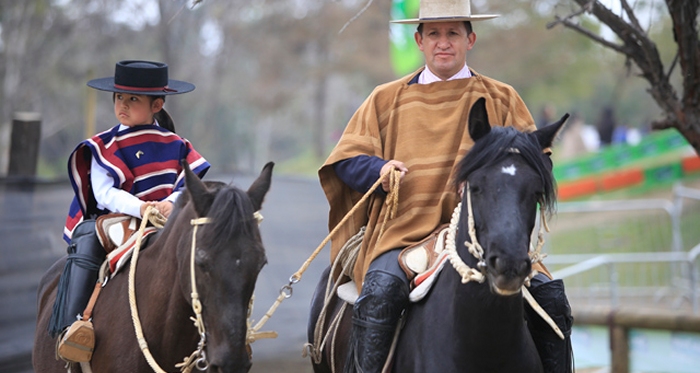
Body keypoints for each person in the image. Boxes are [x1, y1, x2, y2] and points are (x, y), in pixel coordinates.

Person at [318, 1, 573, 372]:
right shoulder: (385, 99)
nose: (443, 43)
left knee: (550, 297)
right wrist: (379, 168)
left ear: (470, 39)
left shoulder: (502, 97)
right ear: (419, 41)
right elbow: (346, 160)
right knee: (380, 293)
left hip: (488, 233)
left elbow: (538, 160)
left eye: (453, 33)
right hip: (404, 234)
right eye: (434, 34)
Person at [48, 60, 210, 359]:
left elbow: (189, 184)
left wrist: (170, 202)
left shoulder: (177, 145)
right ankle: (73, 327)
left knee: (210, 250)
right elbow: (104, 193)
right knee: (87, 240)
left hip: (166, 219)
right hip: (117, 219)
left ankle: (217, 334)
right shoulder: (102, 146)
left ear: (157, 104)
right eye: (118, 97)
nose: (122, 104)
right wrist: (141, 207)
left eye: (133, 99)